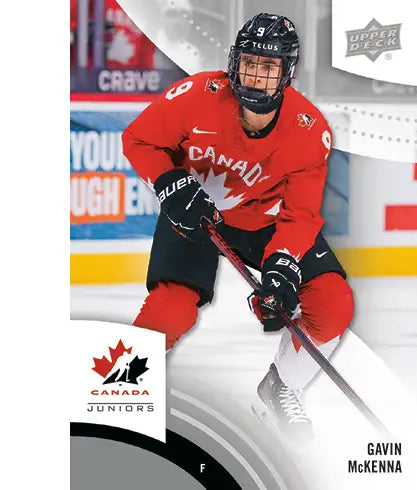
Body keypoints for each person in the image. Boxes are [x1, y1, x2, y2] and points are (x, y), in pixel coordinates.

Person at [122, 13, 354, 442]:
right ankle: (118, 395)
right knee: (169, 311)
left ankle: (279, 388)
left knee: (332, 303)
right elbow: (139, 139)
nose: (256, 76)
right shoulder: (196, 96)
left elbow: (301, 214)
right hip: (193, 212)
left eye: (268, 67)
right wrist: (169, 181)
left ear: (287, 73)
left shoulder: (309, 131)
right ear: (234, 62)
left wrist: (282, 265)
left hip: (262, 220)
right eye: (249, 62)